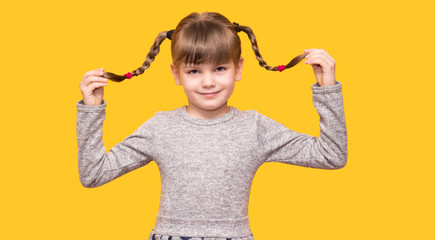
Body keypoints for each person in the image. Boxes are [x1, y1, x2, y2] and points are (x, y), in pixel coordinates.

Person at [77, 12, 347, 240]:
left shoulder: (254, 128)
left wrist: (328, 89)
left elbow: (331, 155)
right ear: (176, 74)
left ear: (238, 69)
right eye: (194, 71)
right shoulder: (160, 127)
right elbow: (93, 174)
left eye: (219, 69)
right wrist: (91, 110)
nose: (208, 82)